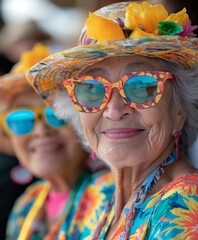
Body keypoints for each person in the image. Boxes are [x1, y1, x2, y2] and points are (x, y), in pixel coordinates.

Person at [27, 1, 198, 239]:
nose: (114, 110)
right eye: (92, 89)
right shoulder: (95, 192)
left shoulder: (186, 206)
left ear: (180, 110)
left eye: (142, 86)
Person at [0, 43, 105, 240]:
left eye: (56, 114)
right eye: (21, 120)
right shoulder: (26, 204)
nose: (41, 131)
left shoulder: (115, 195)